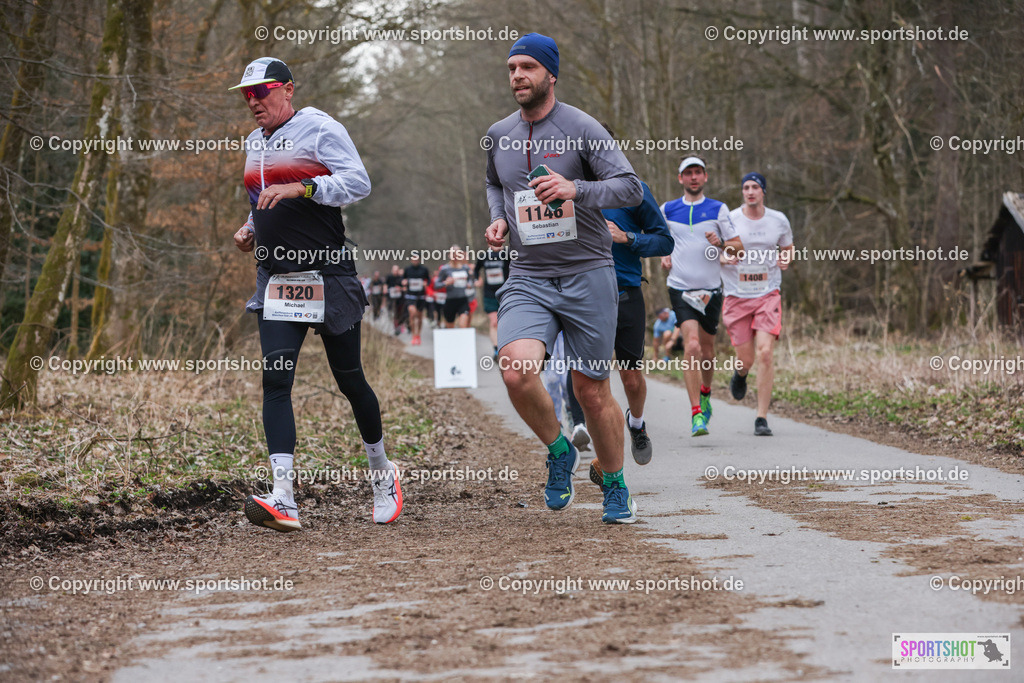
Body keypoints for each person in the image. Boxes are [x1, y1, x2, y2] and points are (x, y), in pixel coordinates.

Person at [229, 57, 401, 531]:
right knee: (276, 380)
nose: (253, 101)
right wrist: (248, 230)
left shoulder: (321, 128)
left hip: (327, 276)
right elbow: (258, 202)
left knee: (350, 381)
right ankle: (283, 497)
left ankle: (382, 472)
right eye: (247, 94)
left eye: (261, 92)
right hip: (277, 279)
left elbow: (357, 182)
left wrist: (302, 188)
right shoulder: (252, 142)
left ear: (287, 89)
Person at [484, 33, 643, 524]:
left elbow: (631, 188)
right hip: (529, 273)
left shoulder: (583, 127)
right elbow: (495, 182)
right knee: (514, 369)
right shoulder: (497, 134)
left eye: (528, 67)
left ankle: (614, 483)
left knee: (590, 390)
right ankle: (559, 450)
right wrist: (501, 218)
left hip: (587, 272)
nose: (517, 76)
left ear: (550, 74)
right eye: (512, 68)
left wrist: (577, 187)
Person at [565, 172, 673, 470]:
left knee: (631, 378)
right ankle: (599, 450)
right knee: (587, 379)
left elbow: (665, 242)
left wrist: (628, 238)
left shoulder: (634, 190)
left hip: (624, 293)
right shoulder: (564, 189)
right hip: (582, 297)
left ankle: (636, 424)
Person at [661, 156, 743, 436]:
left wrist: (721, 244)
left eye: (698, 172)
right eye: (688, 173)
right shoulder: (667, 209)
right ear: (680, 178)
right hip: (680, 287)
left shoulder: (719, 209)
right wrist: (664, 254)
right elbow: (661, 239)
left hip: (711, 290)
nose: (693, 177)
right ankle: (696, 413)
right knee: (692, 346)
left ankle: (706, 393)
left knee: (707, 352)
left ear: (705, 177)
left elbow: (738, 250)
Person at [721, 172, 793, 436]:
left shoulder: (778, 220)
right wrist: (722, 258)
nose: (750, 192)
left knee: (765, 353)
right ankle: (740, 373)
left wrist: (786, 259)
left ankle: (761, 417)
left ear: (763, 191)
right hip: (737, 295)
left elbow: (788, 247)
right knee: (747, 359)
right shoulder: (729, 219)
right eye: (746, 187)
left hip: (767, 294)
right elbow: (712, 252)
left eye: (755, 187)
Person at [475, 248, 511, 359]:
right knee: (494, 322)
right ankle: (496, 351)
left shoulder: (507, 255)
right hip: (489, 294)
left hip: (506, 293)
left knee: (506, 323)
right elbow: (476, 270)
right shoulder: (483, 256)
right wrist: (478, 279)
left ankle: (508, 349)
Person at [438, 246, 473, 328]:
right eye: (453, 253)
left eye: (458, 253)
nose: (455, 256)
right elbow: (436, 285)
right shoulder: (445, 269)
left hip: (463, 300)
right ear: (449, 255)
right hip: (450, 301)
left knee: (463, 325)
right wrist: (446, 283)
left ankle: (463, 340)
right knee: (450, 328)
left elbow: (471, 280)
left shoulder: (465, 268)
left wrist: (469, 284)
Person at [402, 255, 431, 345]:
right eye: (413, 259)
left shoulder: (424, 269)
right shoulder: (407, 269)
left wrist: (426, 283)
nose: (415, 261)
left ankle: (418, 335)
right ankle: (413, 335)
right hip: (410, 295)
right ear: (411, 260)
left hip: (421, 296)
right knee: (412, 313)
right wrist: (404, 282)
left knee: (419, 316)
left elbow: (429, 280)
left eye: (416, 259)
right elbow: (403, 280)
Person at [385, 264, 405, 335]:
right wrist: (385, 290)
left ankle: (399, 325)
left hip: (400, 299)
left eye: (396, 270)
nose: (395, 272)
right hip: (391, 298)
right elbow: (385, 285)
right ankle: (396, 327)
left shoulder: (401, 278)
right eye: (394, 270)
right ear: (392, 270)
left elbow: (405, 288)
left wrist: (400, 289)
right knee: (394, 313)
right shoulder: (389, 277)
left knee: (400, 313)